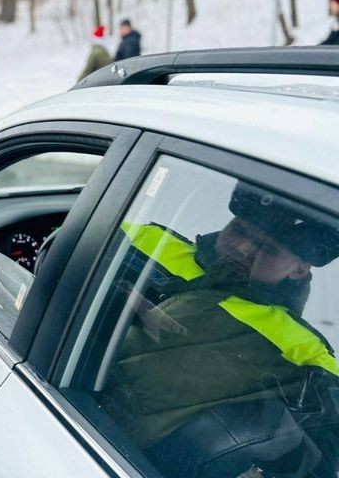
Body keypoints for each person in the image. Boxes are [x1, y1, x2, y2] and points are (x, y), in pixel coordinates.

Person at [103, 183, 339, 475]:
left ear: (300, 269)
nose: (241, 250)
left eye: (267, 249)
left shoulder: (302, 348)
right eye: (239, 231)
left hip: (119, 456)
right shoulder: (150, 242)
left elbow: (324, 456)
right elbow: (62, 245)